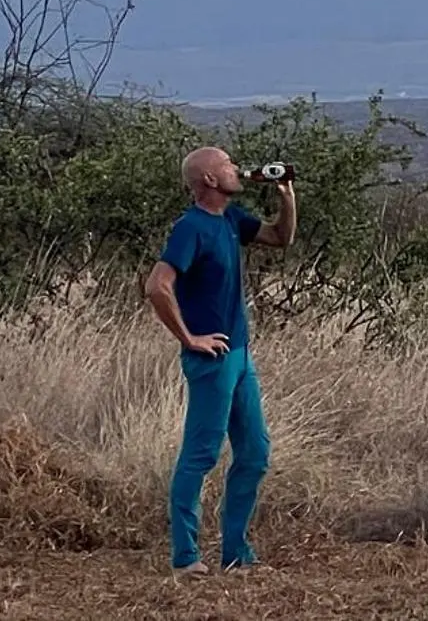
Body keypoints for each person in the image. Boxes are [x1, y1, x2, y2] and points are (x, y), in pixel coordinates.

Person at [143, 146, 298, 576]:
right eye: (227, 165)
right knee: (201, 454)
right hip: (212, 359)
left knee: (254, 452)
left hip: (241, 355)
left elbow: (279, 238)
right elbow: (158, 287)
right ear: (209, 180)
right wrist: (189, 338)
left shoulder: (230, 219)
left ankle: (236, 553)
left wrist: (286, 196)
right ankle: (186, 557)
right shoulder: (190, 228)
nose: (236, 169)